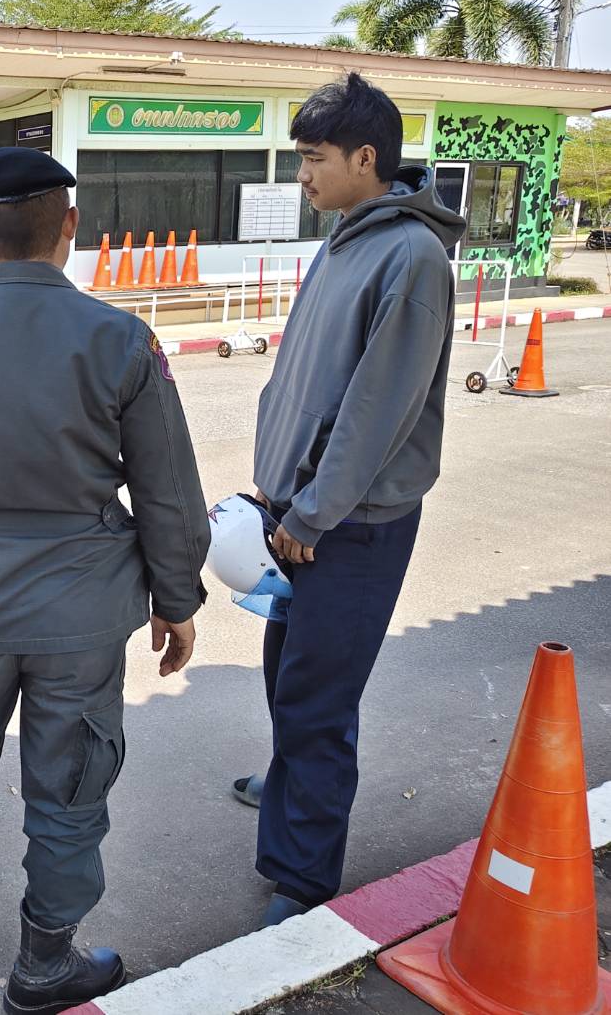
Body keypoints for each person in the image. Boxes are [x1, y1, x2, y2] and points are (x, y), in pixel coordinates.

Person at [0, 146, 210, 1015]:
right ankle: (43, 965)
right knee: (68, 783)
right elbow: (168, 490)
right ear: (70, 226)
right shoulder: (120, 338)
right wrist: (176, 600)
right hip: (83, 609)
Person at [233, 73, 465, 927]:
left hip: (349, 524)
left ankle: (300, 877)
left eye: (314, 158)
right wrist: (276, 489)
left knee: (318, 697)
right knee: (289, 672)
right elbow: (304, 376)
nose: (302, 175)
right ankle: (291, 785)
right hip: (298, 511)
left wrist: (311, 512)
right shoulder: (343, 239)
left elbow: (376, 411)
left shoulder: (409, 256)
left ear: (365, 159)